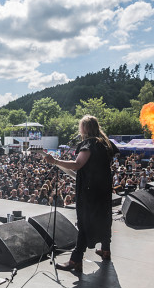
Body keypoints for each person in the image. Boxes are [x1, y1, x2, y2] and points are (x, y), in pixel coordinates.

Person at [44, 115, 119, 272]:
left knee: (85, 222)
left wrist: (55, 161)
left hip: (90, 190)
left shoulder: (89, 143)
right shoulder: (105, 143)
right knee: (104, 218)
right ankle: (106, 250)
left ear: (84, 128)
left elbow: (78, 164)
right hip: (103, 188)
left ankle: (75, 260)